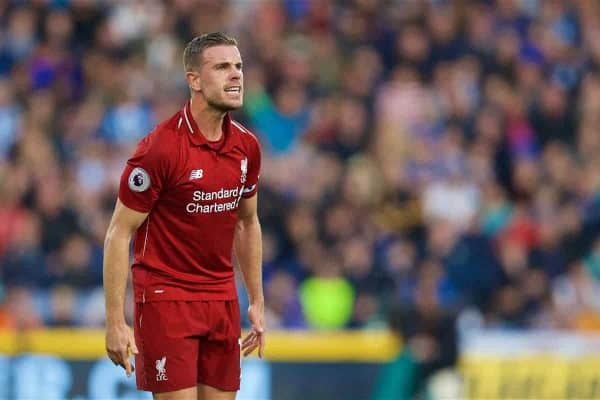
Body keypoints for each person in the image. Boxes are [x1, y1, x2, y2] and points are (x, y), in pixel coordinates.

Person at [103, 32, 265, 400]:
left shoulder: (246, 147)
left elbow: (247, 222)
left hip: (222, 297)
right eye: (222, 67)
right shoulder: (159, 150)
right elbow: (118, 233)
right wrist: (115, 321)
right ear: (193, 80)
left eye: (238, 66)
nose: (236, 75)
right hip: (166, 298)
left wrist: (256, 300)